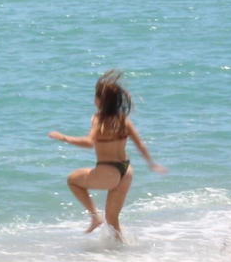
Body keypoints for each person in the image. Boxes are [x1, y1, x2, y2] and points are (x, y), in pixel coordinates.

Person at [48, 71, 165, 242]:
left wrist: (63, 138)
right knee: (113, 221)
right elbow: (140, 144)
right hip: (126, 171)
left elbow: (89, 142)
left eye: (95, 97)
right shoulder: (123, 119)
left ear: (100, 101)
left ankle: (95, 216)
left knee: (72, 180)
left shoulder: (98, 119)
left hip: (109, 172)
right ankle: (121, 252)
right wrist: (151, 164)